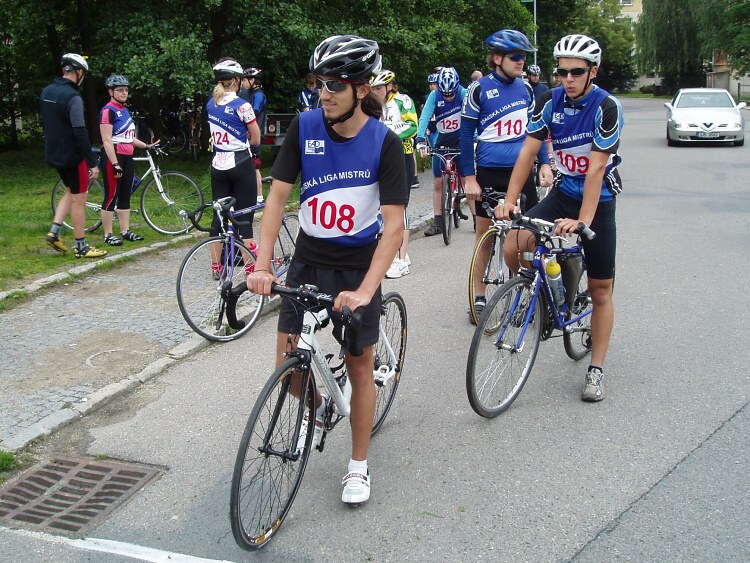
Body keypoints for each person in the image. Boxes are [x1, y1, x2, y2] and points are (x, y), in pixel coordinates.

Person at [247, 35, 407, 506]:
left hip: (357, 267)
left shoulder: (385, 142)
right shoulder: (305, 127)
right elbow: (276, 199)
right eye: (320, 83)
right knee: (287, 362)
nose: (324, 93)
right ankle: (318, 408)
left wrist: (366, 291)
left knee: (359, 368)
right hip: (309, 261)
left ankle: (357, 465)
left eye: (335, 84)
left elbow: (394, 228)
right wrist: (262, 265)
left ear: (361, 89)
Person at [498, 34, 623, 402]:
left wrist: (582, 222)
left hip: (598, 200)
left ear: (592, 72)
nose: (567, 79)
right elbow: (527, 153)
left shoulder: (606, 106)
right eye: (562, 72)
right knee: (513, 242)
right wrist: (509, 201)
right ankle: (541, 292)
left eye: (576, 72)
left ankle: (596, 369)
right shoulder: (549, 100)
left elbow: (596, 169)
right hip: (564, 192)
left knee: (600, 290)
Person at [460, 30, 553, 319]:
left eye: (523, 56)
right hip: (489, 173)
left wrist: (545, 163)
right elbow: (465, 134)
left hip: (522, 173)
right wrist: (469, 177)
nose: (521, 61)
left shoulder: (526, 89)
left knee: (526, 238)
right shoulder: (479, 89)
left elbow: (535, 132)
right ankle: (478, 295)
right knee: (484, 236)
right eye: (515, 57)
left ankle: (525, 291)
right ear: (497, 58)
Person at [41, 53, 106, 258]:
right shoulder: (73, 97)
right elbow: (79, 130)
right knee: (80, 198)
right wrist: (92, 162)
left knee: (70, 190)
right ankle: (81, 246)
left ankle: (54, 232)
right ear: (78, 72)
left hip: (54, 152)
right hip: (73, 155)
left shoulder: (47, 91)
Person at [206, 58, 261, 279]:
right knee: (244, 216)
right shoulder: (242, 105)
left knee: (218, 217)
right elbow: (256, 138)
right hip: (240, 162)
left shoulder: (211, 104)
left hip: (218, 164)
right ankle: (250, 269)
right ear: (237, 81)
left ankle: (216, 267)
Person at [370, 69, 417, 278]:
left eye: (379, 88)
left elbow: (413, 126)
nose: (376, 92)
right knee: (381, 206)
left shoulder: (402, 101)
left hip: (401, 155)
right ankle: (394, 250)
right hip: (379, 158)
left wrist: (391, 138)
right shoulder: (372, 104)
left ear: (390, 86)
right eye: (373, 88)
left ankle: (401, 258)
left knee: (399, 206)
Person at [98, 74, 155, 246]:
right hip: (113, 156)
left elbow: (128, 137)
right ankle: (108, 234)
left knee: (125, 195)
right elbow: (106, 140)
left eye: (126, 90)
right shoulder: (108, 111)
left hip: (127, 156)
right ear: (111, 92)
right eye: (120, 90)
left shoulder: (124, 110)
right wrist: (115, 163)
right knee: (111, 195)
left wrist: (146, 146)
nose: (124, 93)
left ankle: (125, 231)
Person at [414, 67, 467, 237]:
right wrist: (420, 139)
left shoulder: (464, 93)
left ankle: (476, 217)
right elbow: (425, 117)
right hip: (441, 142)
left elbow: (474, 116)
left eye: (451, 95)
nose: (448, 97)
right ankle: (438, 222)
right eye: (445, 95)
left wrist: (475, 138)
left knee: (466, 180)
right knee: (438, 182)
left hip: (461, 140)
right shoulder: (434, 95)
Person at [240, 67, 268, 194]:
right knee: (249, 168)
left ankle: (259, 196)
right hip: (249, 136)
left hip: (255, 136)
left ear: (252, 80)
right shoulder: (252, 94)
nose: (243, 82)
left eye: (244, 80)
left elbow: (252, 114)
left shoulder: (258, 95)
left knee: (255, 168)